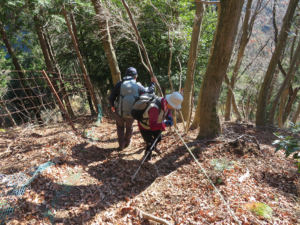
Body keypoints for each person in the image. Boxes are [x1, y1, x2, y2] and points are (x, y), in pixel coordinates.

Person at [108, 67, 157, 150]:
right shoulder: (137, 85)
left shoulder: (119, 84)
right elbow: (149, 93)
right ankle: (127, 142)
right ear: (136, 76)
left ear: (125, 75)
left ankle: (121, 144)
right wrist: (152, 83)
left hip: (119, 112)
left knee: (120, 127)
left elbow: (111, 97)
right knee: (129, 127)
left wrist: (112, 106)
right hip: (132, 113)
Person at [138, 92, 183, 161]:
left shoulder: (165, 102)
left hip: (156, 123)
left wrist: (169, 117)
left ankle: (154, 147)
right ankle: (147, 156)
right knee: (150, 143)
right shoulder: (154, 108)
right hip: (145, 126)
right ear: (170, 103)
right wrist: (164, 124)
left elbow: (167, 111)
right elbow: (152, 126)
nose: (174, 107)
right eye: (174, 106)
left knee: (158, 138)